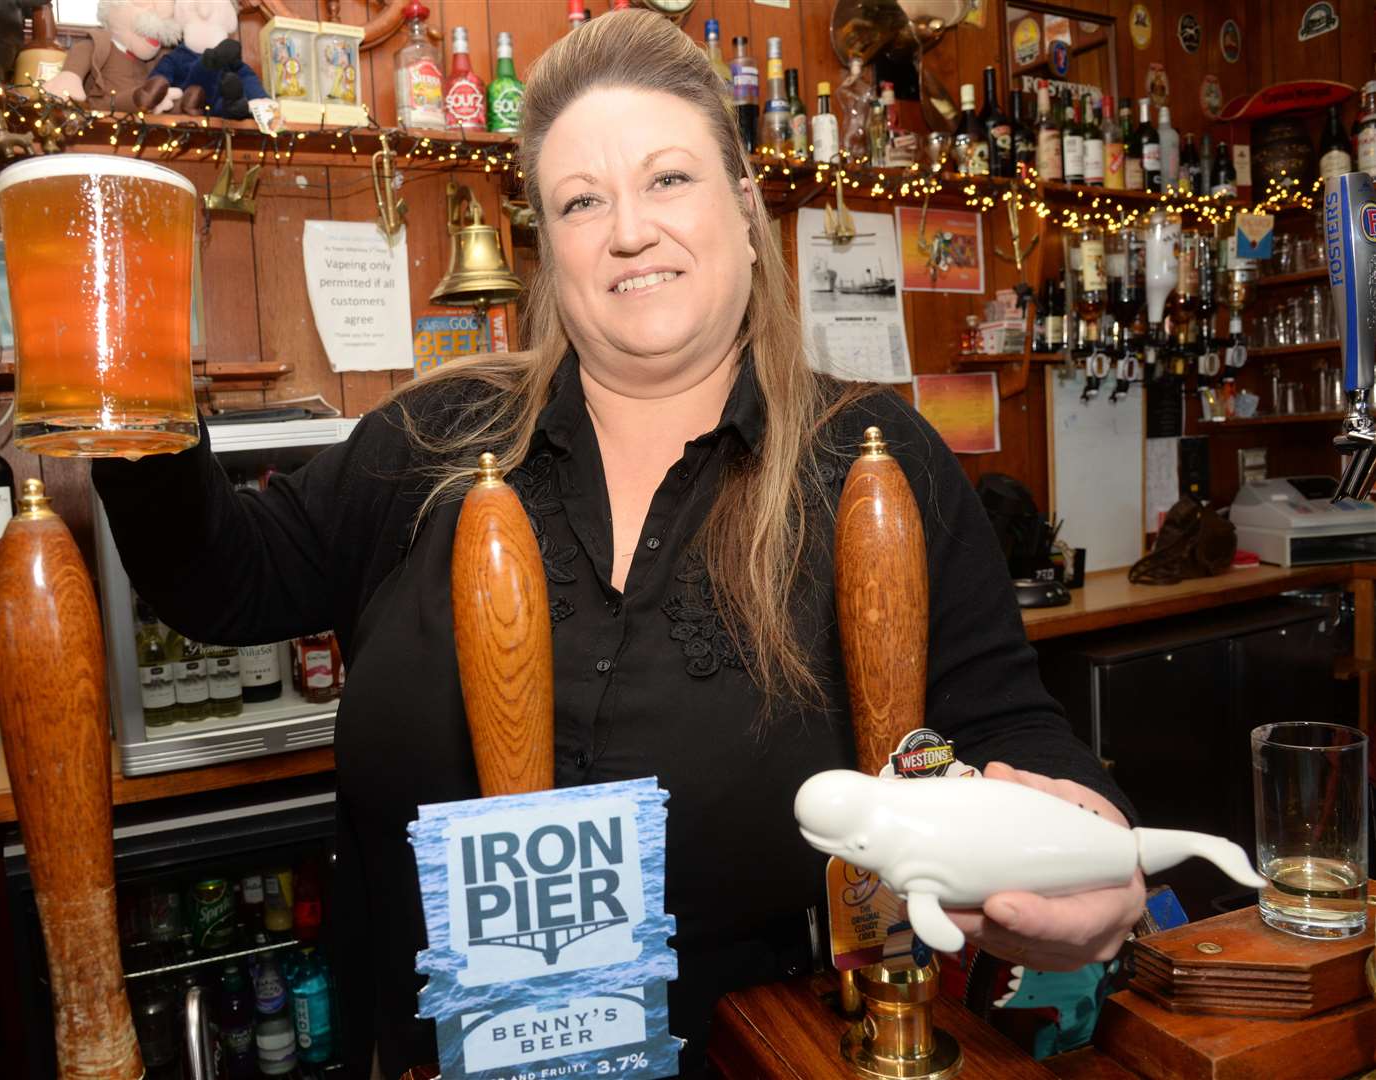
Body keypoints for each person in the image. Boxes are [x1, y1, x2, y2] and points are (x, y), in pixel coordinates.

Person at [93, 11, 1142, 1076]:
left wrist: (1088, 855)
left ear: (743, 208)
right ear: (546, 248)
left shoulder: (871, 463)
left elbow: (1009, 722)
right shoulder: (427, 440)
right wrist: (127, 375)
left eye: (668, 180)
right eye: (582, 201)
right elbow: (218, 582)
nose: (628, 230)